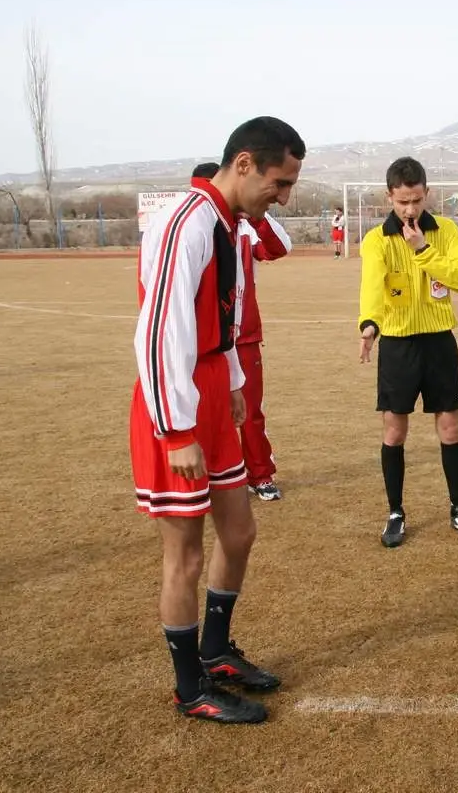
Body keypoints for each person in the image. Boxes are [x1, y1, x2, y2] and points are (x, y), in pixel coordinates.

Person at [130, 116, 305, 724]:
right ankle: (189, 688)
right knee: (184, 554)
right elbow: (159, 333)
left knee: (239, 532)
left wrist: (230, 383)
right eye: (279, 184)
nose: (282, 198)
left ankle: (216, 650)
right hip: (174, 405)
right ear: (245, 165)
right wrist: (176, 430)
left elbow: (222, 320)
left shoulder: (230, 225)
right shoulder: (187, 222)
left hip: (210, 391)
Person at [358, 156, 458, 548]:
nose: (410, 209)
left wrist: (424, 249)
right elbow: (373, 287)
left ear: (426, 194)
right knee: (395, 432)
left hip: (438, 342)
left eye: (416, 200)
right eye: (402, 202)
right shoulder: (376, 240)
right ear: (389, 197)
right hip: (397, 344)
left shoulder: (445, 231)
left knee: (449, 428)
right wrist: (369, 324)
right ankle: (395, 512)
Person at [191, 162, 292, 502]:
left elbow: (280, 247)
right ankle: (200, 480)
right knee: (200, 412)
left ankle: (259, 474)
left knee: (249, 411)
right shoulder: (192, 227)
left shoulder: (244, 227)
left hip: (243, 337)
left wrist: (255, 216)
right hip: (202, 342)